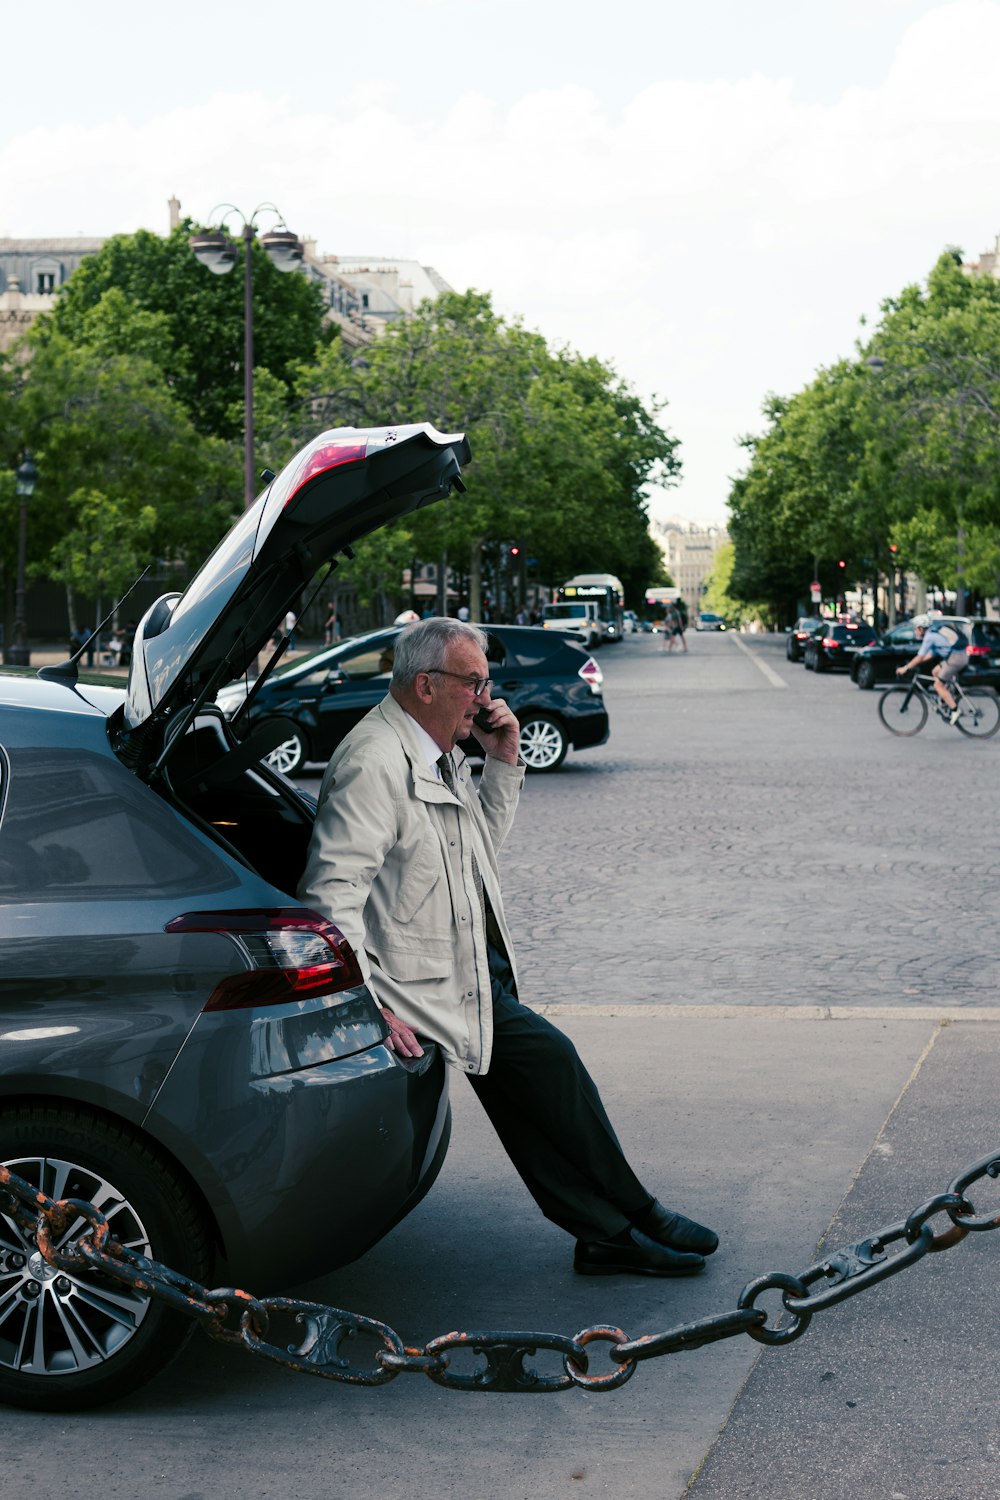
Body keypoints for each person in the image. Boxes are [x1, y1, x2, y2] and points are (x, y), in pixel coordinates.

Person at [298, 617, 718, 1277]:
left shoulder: (436, 750)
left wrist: (502, 760)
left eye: (487, 682)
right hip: (425, 981)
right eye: (475, 683)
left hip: (465, 963)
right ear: (427, 685)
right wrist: (371, 1003)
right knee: (554, 1066)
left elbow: (476, 854)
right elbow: (331, 893)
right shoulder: (375, 762)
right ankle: (637, 1210)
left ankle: (606, 1233)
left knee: (528, 1105)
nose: (488, 697)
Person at [896, 616, 969, 725]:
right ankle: (945, 698)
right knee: (935, 671)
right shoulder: (934, 633)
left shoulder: (930, 637)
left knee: (937, 685)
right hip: (956, 656)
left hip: (956, 659)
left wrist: (906, 668)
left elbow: (920, 657)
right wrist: (914, 663)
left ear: (921, 629)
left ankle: (955, 710)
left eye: (916, 628)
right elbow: (929, 655)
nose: (915, 631)